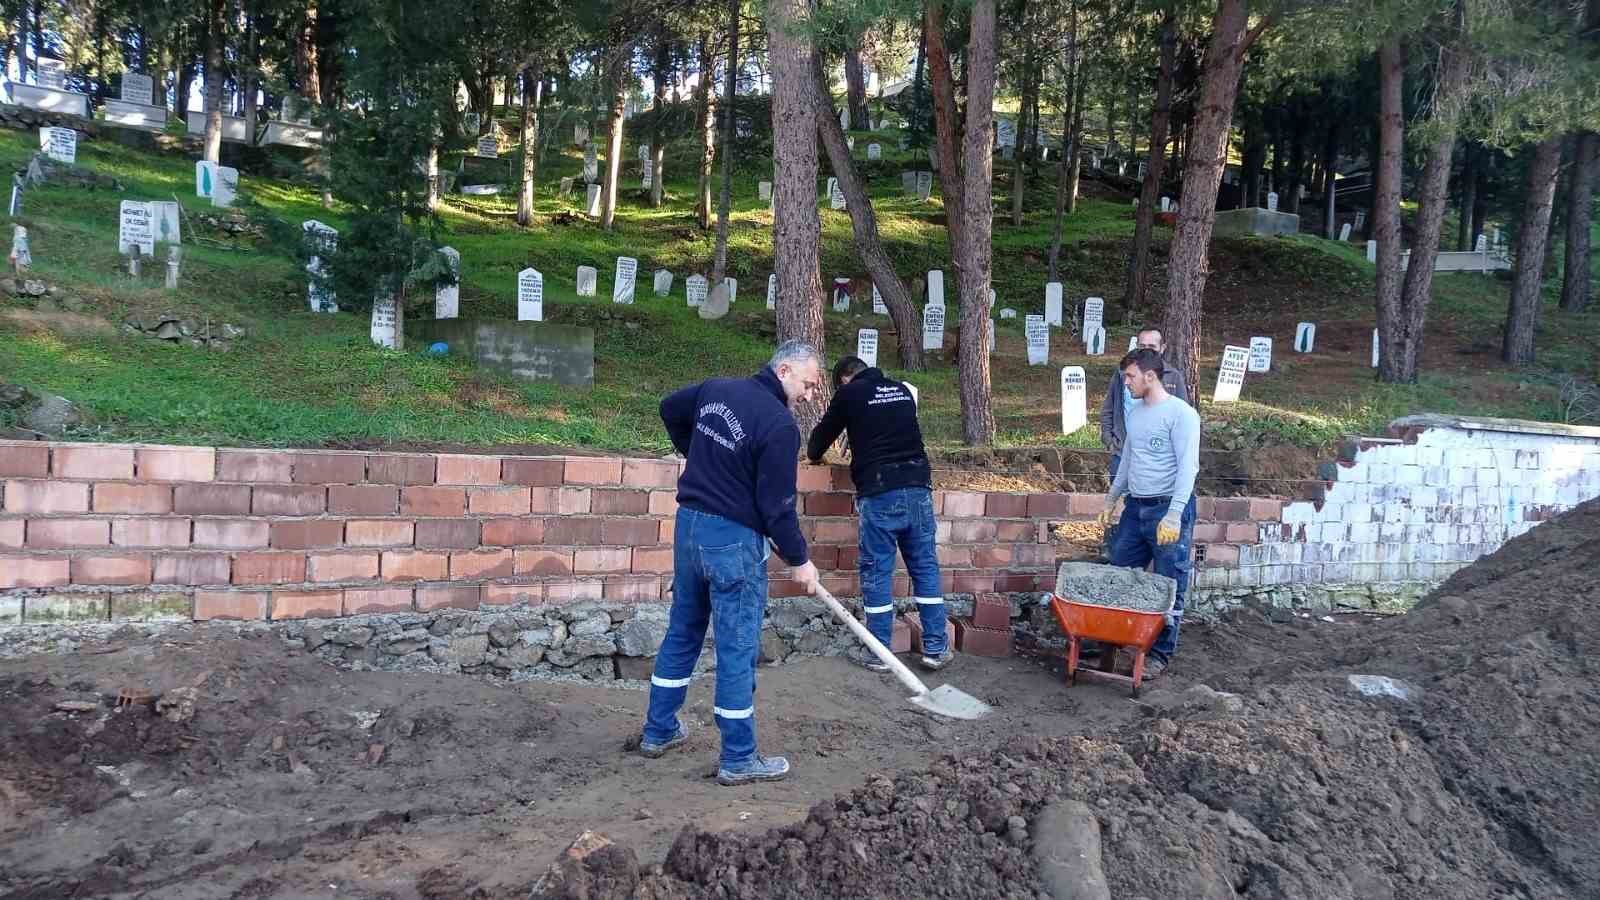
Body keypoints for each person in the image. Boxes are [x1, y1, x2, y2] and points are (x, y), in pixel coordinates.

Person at [636, 340, 824, 785]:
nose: (810, 395)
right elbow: (777, 506)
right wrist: (800, 559)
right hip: (732, 543)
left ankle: (658, 730)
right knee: (737, 647)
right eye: (808, 384)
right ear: (784, 370)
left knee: (683, 630)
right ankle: (739, 757)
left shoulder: (716, 389)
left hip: (690, 529)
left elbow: (669, 408)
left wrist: (699, 457)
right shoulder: (779, 424)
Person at [805, 356, 950, 673]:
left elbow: (819, 440)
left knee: (878, 572)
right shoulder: (901, 390)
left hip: (881, 491)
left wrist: (814, 455)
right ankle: (936, 648)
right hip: (918, 487)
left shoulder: (850, 393)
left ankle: (880, 654)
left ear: (844, 379)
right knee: (925, 567)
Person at [1097, 348, 1199, 679]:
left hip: (1167, 508)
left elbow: (1188, 467)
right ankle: (1115, 638)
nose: (1125, 382)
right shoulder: (1137, 413)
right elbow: (1128, 459)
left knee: (1169, 582)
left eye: (1130, 376)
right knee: (1119, 572)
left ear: (1150, 376)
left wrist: (1174, 514)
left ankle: (1159, 653)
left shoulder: (1181, 415)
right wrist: (1112, 499)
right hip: (1136, 507)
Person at [1100, 326, 1188, 477]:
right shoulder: (1122, 374)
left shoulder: (1173, 376)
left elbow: (1183, 419)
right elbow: (1109, 407)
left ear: (1162, 348)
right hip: (1122, 453)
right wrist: (1109, 440)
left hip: (1158, 458)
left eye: (1152, 347)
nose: (1147, 351)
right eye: (1142, 346)